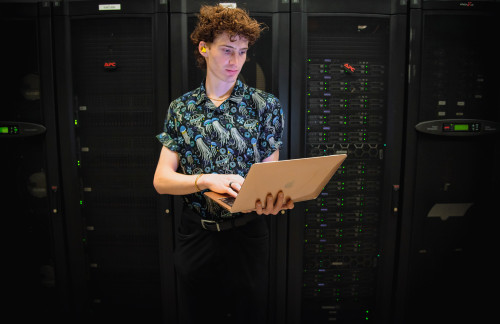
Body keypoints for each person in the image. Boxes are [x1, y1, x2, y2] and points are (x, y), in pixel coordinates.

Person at [153, 4, 293, 323]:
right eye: (227, 50)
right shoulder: (182, 108)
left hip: (248, 234)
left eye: (242, 52)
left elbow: (270, 176)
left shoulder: (265, 105)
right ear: (204, 48)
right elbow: (161, 180)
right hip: (197, 234)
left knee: (250, 314)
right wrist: (205, 180)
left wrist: (271, 200)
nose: (235, 61)